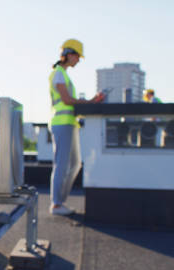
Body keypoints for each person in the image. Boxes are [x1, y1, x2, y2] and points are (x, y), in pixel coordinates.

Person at [49, 39, 105, 215]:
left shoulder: (63, 74)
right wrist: (88, 102)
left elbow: (69, 102)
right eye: (77, 57)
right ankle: (56, 204)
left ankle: (59, 202)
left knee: (74, 164)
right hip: (62, 124)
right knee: (62, 165)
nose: (78, 60)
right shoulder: (58, 74)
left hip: (69, 124)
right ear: (68, 54)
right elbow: (66, 100)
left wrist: (89, 102)